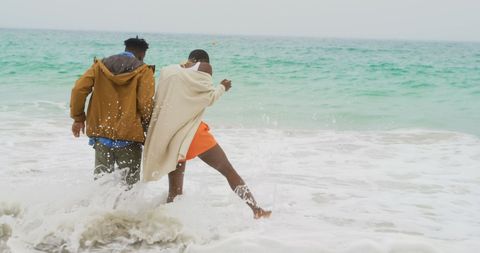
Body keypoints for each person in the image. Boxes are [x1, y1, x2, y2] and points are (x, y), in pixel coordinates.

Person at [143, 49, 271, 219]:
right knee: (228, 170)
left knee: (175, 192)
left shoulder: (168, 73)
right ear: (199, 61)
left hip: (172, 139)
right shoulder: (203, 67)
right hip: (192, 134)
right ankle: (256, 210)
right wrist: (222, 87)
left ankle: (166, 225)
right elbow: (209, 98)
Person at [70, 37, 155, 186]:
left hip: (102, 133)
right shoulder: (143, 71)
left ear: (126, 49)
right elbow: (145, 103)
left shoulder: (100, 66)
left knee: (101, 185)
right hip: (130, 136)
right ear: (142, 54)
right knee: (129, 187)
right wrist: (148, 127)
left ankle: (98, 209)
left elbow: (79, 89)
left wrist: (78, 118)